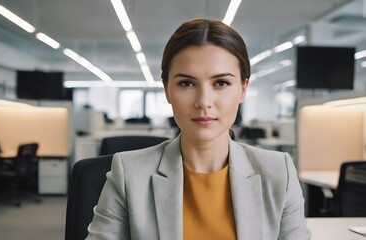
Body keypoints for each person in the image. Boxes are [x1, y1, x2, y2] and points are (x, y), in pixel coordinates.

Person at [87, 18, 311, 240]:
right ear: (167, 90)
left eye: (221, 83)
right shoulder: (129, 173)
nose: (204, 101)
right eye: (187, 83)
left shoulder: (278, 172)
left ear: (243, 89)